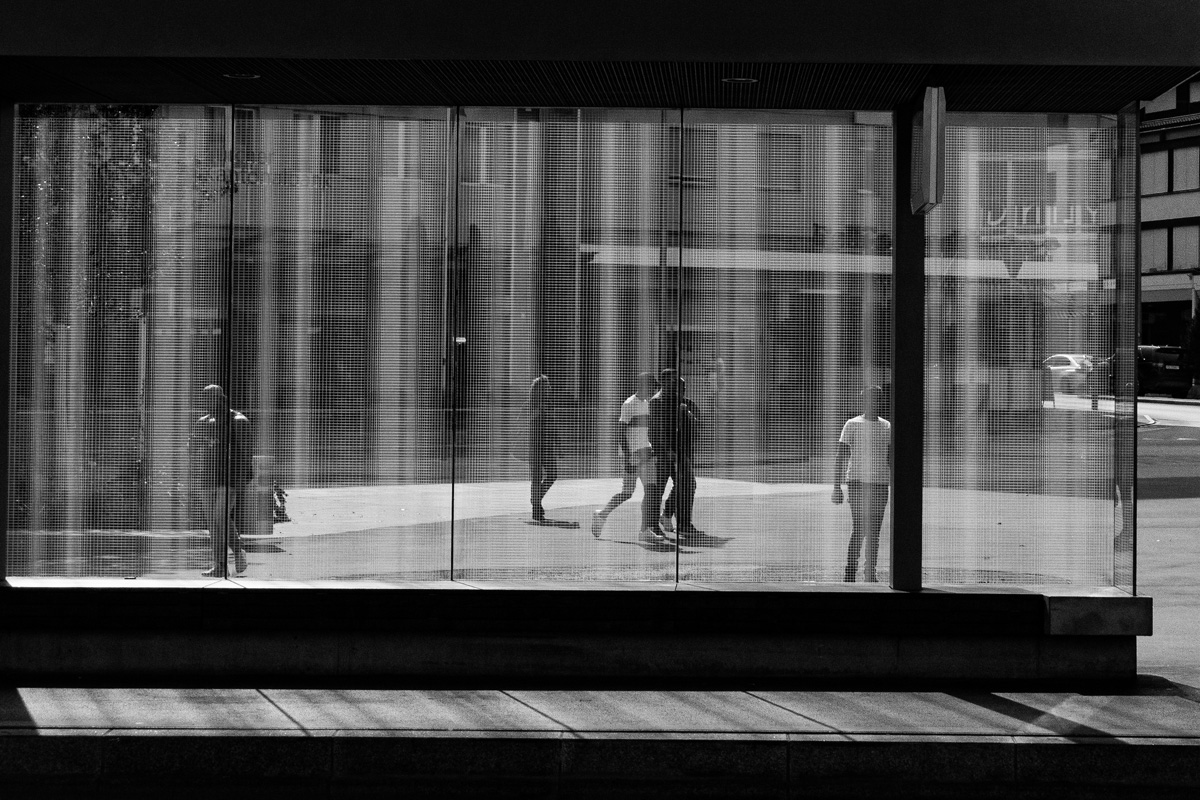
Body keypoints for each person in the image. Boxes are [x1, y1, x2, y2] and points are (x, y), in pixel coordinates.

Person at [189, 384, 253, 578]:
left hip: (229, 477)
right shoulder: (203, 421)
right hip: (207, 476)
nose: (205, 402)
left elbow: (246, 452)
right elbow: (193, 448)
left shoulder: (238, 421)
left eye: (209, 398)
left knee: (220, 517)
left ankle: (238, 551)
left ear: (221, 398)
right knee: (213, 522)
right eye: (204, 398)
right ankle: (219, 565)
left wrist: (244, 476)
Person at [831, 385, 891, 582]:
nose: (873, 403)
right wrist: (836, 486)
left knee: (874, 529)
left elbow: (890, 458)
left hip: (880, 483)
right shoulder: (852, 424)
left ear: (881, 401)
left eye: (876, 399)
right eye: (869, 399)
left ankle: (869, 572)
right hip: (857, 482)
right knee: (860, 528)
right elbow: (840, 456)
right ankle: (851, 571)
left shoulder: (887, 426)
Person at [592, 372, 660, 539]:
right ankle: (601, 515)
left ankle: (644, 530)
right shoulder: (629, 404)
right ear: (646, 386)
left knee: (651, 491)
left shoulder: (648, 403)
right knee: (627, 493)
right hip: (633, 455)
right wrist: (628, 457)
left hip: (647, 453)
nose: (655, 390)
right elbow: (621, 433)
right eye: (653, 387)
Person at [649, 368, 701, 543]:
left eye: (681, 385)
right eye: (674, 383)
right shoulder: (657, 403)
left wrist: (687, 414)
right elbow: (656, 430)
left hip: (681, 452)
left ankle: (683, 523)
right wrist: (665, 450)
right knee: (658, 489)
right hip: (664, 453)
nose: (679, 388)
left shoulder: (684, 403)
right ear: (664, 383)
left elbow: (696, 427)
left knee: (687, 485)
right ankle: (653, 525)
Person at [528, 374, 558, 523]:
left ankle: (535, 499)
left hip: (547, 444)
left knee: (552, 474)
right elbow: (532, 422)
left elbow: (553, 424)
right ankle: (536, 508)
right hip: (536, 444)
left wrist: (558, 443)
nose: (549, 388)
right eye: (546, 386)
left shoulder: (549, 402)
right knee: (537, 477)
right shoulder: (533, 404)